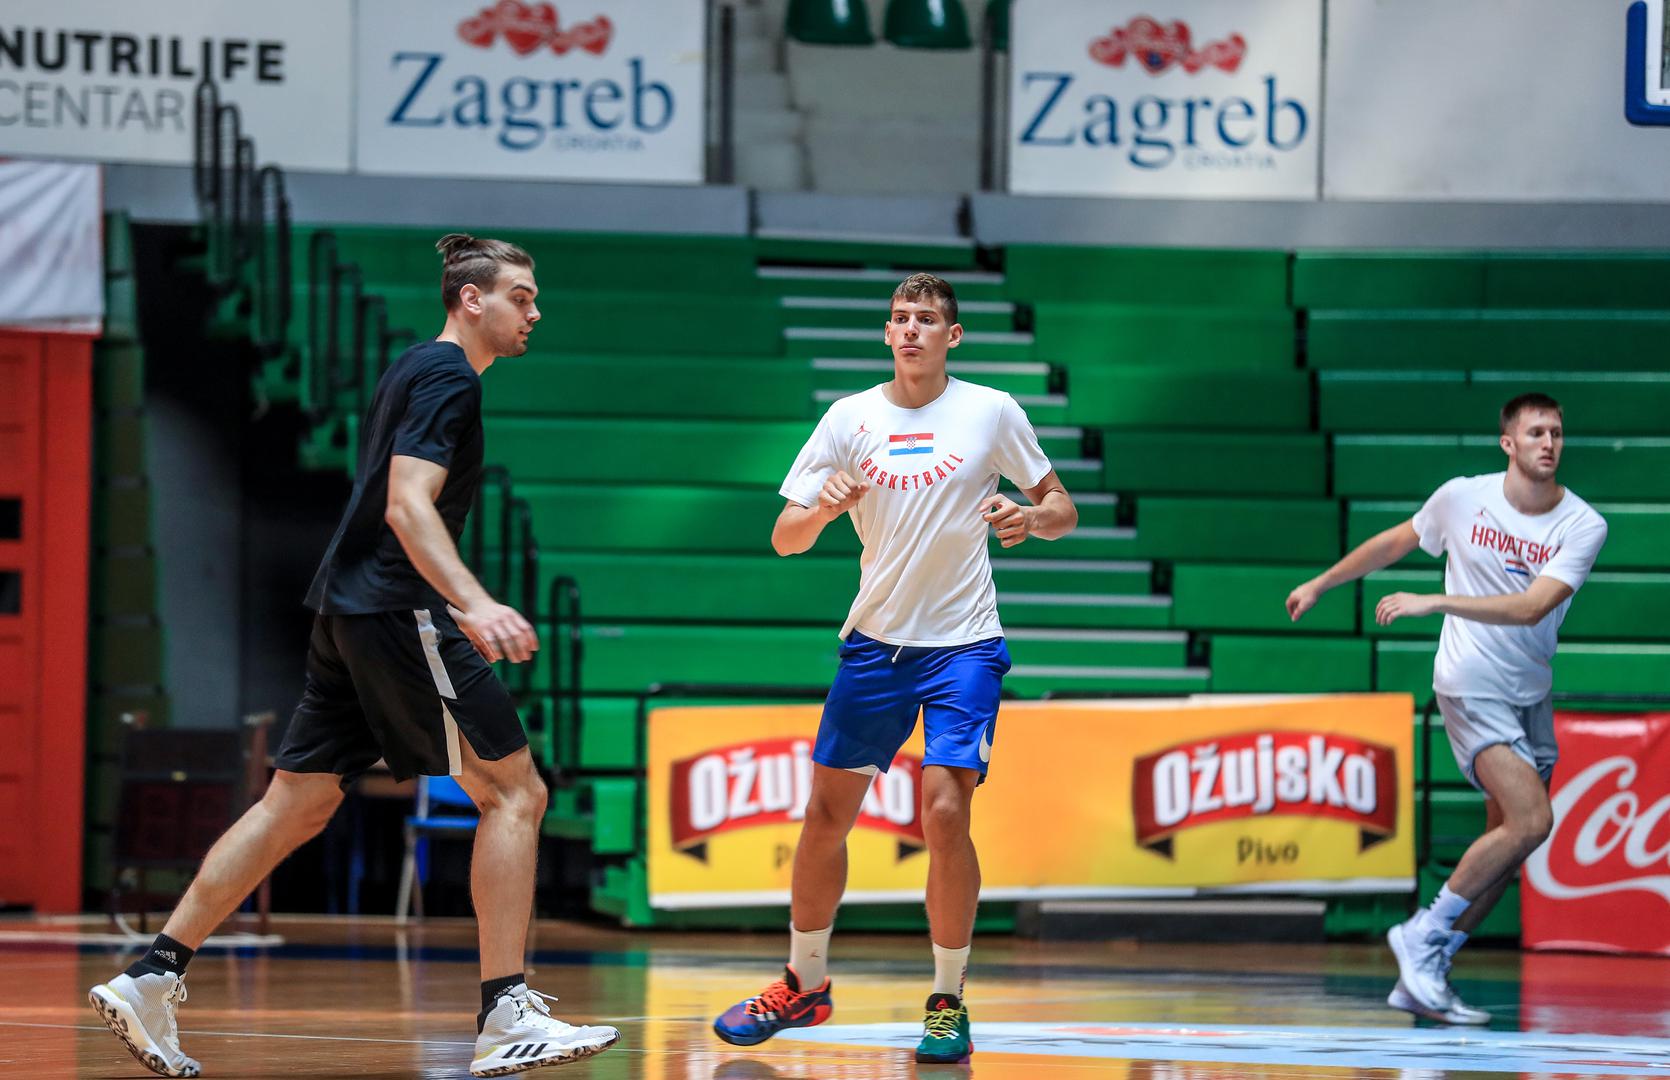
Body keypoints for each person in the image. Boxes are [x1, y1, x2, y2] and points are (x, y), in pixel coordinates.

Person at [88, 235, 620, 1078]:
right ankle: (505, 1011)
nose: (535, 311)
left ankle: (153, 973)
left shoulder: (412, 366)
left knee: (294, 805)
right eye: (521, 295)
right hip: (399, 607)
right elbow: (410, 506)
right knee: (514, 791)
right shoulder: (448, 377)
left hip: (343, 609)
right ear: (470, 299)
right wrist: (474, 602)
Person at [711, 273, 1078, 1064]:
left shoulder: (992, 410)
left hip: (964, 646)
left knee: (944, 814)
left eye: (927, 319)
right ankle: (803, 981)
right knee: (823, 817)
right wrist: (823, 507)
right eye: (900, 318)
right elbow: (784, 537)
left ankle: (948, 999)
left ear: (953, 336)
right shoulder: (850, 419)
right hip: (876, 645)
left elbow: (1061, 508)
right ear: (887, 334)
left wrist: (1028, 516)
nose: (911, 329)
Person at [1286, 392, 1607, 1024]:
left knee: (1507, 843)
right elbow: (1392, 542)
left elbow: (1532, 607)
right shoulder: (1463, 497)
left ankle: (1427, 968)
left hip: (1529, 691)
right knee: (1532, 820)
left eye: (1558, 433)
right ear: (1508, 444)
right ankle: (1420, 937)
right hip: (1468, 682)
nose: (1550, 443)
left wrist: (1437, 601)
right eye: (1537, 432)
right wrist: (1322, 582)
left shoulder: (1582, 523)